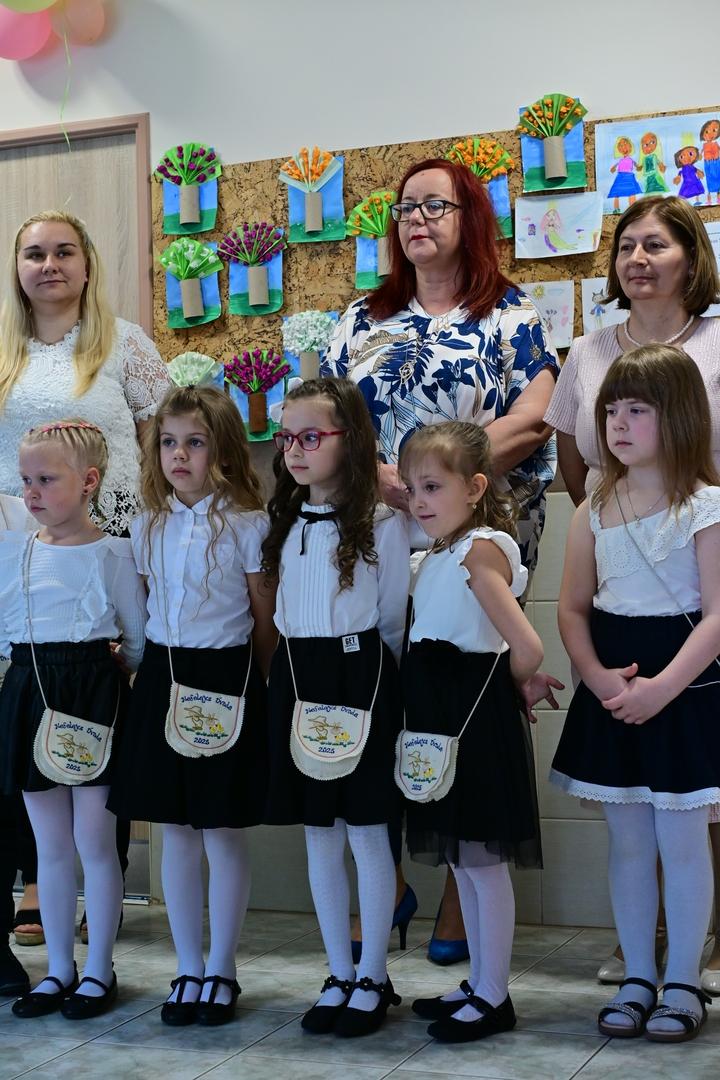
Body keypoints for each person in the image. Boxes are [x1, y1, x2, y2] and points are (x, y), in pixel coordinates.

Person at [324, 156, 559, 961]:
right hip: (377, 528)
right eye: (406, 208)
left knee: (467, 698)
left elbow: (535, 415)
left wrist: (439, 482)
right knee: (381, 692)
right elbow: (331, 418)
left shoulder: (509, 310)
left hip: (478, 528)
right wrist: (389, 483)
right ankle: (387, 883)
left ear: (471, 217)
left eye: (436, 205)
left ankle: (465, 886)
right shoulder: (361, 317)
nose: (417, 219)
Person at [544, 194, 720, 990]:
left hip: (684, 668)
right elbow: (573, 607)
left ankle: (684, 975)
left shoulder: (707, 507)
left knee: (685, 834)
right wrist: (597, 676)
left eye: (656, 244)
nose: (638, 259)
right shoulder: (594, 505)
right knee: (629, 839)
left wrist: (664, 686)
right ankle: (642, 970)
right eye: (627, 246)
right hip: (615, 670)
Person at [0, 210, 171, 947]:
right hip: (23, 551)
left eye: (63, 251)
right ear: (17, 269)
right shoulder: (2, 347)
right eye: (34, 253)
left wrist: (160, 528)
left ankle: (103, 879)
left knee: (101, 706)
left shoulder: (124, 342)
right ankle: (38, 882)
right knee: (27, 707)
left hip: (111, 544)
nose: (49, 265)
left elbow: (167, 432)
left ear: (87, 263)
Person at [107, 385, 275, 1027]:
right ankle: (188, 967)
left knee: (221, 829)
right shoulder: (146, 525)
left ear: (224, 451)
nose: (179, 455)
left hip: (227, 677)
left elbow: (263, 619)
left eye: (195, 443)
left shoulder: (249, 525)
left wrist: (263, 689)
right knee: (174, 830)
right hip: (164, 676)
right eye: (169, 442)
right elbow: (144, 608)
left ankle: (222, 968)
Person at [262, 378, 409, 1037]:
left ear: (349, 441)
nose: (295, 450)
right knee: (319, 832)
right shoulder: (284, 518)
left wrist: (379, 686)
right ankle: (339, 972)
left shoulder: (382, 522)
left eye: (311, 437)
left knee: (367, 830)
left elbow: (393, 617)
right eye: (286, 438)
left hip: (362, 674)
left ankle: (373, 973)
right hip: (299, 675)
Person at [398, 422, 544, 1043]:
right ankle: (479, 980)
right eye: (411, 489)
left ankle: (494, 994)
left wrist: (511, 684)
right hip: (441, 718)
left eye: (432, 486)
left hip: (473, 719)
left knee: (482, 866)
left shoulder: (479, 550)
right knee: (461, 862)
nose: (418, 500)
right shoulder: (433, 554)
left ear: (476, 487)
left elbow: (527, 647)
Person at [0, 420, 146, 1019]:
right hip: (29, 688)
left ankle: (99, 969)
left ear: (88, 482)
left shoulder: (114, 553)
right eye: (26, 480)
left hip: (92, 696)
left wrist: (111, 668)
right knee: (48, 844)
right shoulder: (16, 551)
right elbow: (8, 627)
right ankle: (59, 969)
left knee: (95, 840)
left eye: (46, 479)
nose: (31, 492)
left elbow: (137, 637)